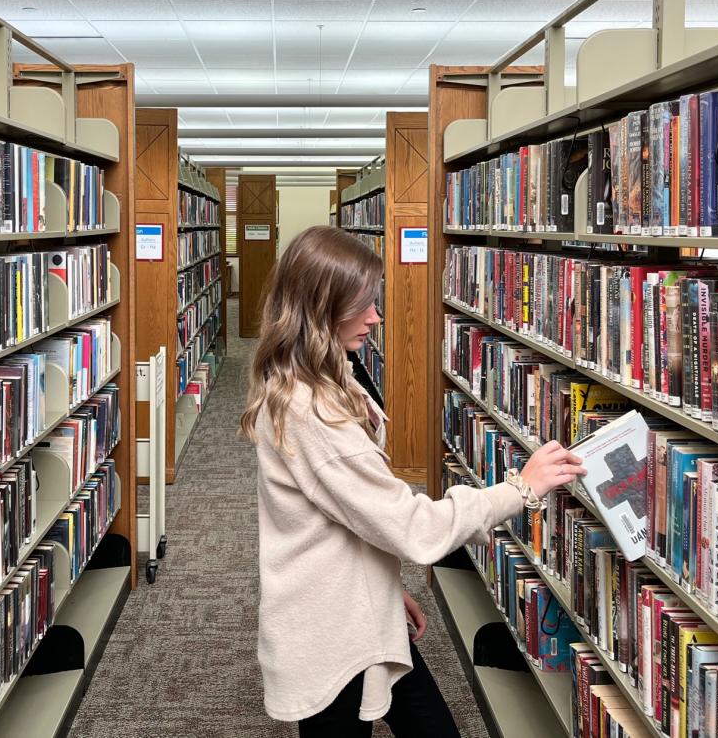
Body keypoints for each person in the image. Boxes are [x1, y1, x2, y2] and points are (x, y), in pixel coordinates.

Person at [240, 225, 586, 738]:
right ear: (320, 308)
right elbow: (410, 525)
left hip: (346, 608)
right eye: (361, 306)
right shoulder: (310, 409)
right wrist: (520, 489)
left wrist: (381, 587)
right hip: (328, 632)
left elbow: (344, 511)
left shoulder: (316, 375)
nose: (375, 318)